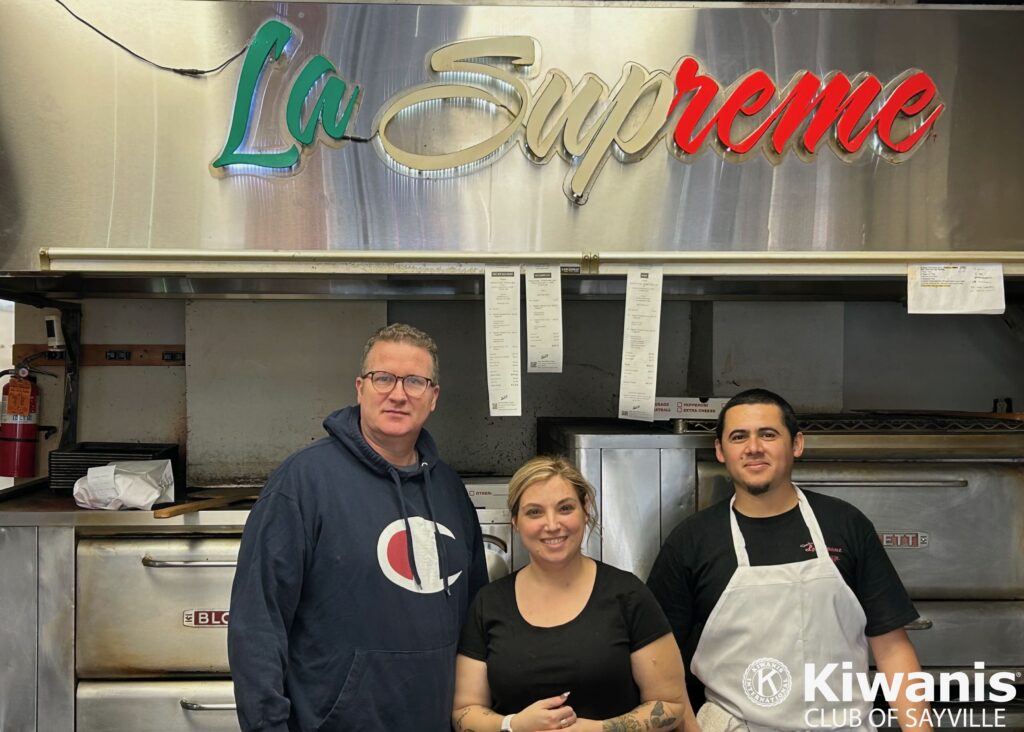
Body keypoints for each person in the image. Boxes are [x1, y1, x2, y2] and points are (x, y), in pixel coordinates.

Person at [228, 323, 488, 732]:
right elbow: (258, 622)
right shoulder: (303, 482)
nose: (398, 394)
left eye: (415, 381)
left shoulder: (449, 491)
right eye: (383, 378)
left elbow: (476, 624)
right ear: (360, 388)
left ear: (433, 397)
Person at [647, 388, 930, 732]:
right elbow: (657, 665)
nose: (753, 447)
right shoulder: (692, 540)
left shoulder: (845, 524)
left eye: (768, 434)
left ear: (796, 444)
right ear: (720, 450)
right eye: (739, 437)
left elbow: (892, 650)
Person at [453, 456, 699, 732]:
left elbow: (670, 704)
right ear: (515, 522)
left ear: (585, 510)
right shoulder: (489, 603)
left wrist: (599, 730)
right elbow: (464, 712)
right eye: (534, 512)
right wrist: (514, 724)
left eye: (565, 508)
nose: (552, 524)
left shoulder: (628, 595)